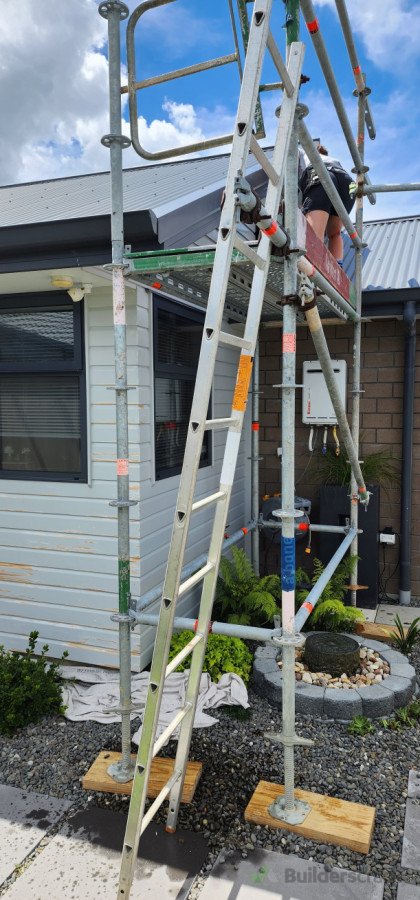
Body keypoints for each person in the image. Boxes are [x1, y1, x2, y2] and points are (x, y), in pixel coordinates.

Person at [298, 144, 355, 268]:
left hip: (321, 174)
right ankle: (336, 270)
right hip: (348, 183)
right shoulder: (334, 160)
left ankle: (311, 270)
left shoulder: (302, 152)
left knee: (314, 236)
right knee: (334, 233)